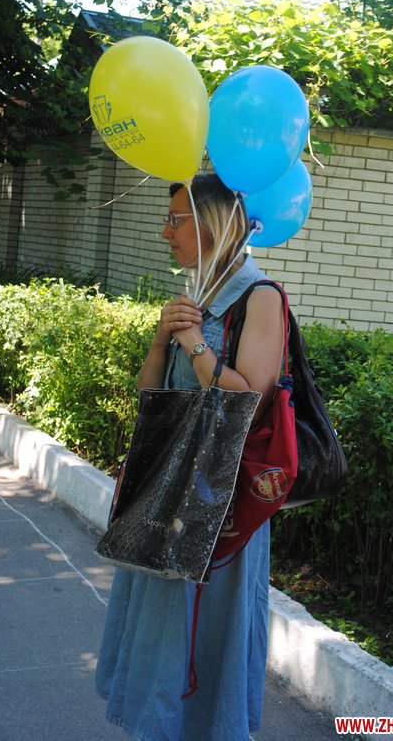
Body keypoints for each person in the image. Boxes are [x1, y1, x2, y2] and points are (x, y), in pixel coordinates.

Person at [95, 173, 285, 741]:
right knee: (161, 615)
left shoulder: (260, 298)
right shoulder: (196, 294)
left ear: (214, 224)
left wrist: (194, 343)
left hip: (219, 502)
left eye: (174, 220)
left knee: (209, 624)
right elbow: (152, 397)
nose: (165, 232)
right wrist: (162, 339)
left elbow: (246, 403)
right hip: (171, 488)